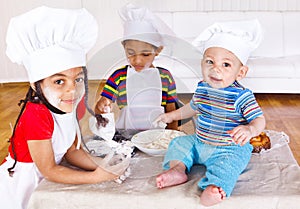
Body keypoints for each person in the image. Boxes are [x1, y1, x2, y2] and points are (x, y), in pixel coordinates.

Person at [0, 7, 129, 209]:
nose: (72, 90)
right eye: (59, 81)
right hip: (24, 185)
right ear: (36, 85)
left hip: (52, 175)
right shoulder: (36, 115)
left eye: (77, 79)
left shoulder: (71, 107)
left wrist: (103, 165)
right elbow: (49, 169)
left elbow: (70, 152)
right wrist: (96, 177)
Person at [155, 19, 266, 206]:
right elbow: (193, 107)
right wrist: (172, 116)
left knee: (227, 167)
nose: (215, 68)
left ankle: (215, 187)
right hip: (199, 142)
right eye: (210, 62)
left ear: (241, 72)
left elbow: (259, 120)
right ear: (202, 64)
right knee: (178, 143)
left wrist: (249, 130)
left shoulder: (241, 96)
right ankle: (177, 169)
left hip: (229, 148)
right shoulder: (202, 88)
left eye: (226, 65)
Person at [94, 4, 178, 131]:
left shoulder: (165, 77)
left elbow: (172, 111)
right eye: (131, 53)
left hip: (157, 137)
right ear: (124, 48)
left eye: (145, 54)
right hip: (126, 136)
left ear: (158, 50)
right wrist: (100, 107)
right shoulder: (118, 76)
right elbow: (101, 105)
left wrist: (172, 136)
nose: (137, 60)